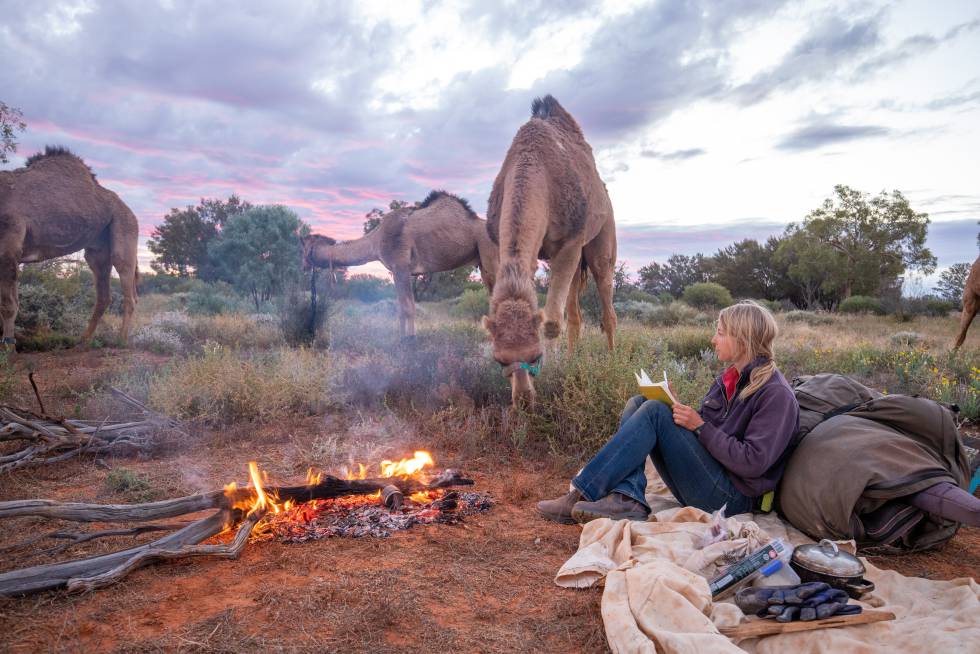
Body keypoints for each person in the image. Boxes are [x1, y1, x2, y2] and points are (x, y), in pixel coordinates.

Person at [537, 300, 800, 523]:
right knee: (640, 403)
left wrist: (699, 426)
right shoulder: (729, 379)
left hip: (732, 499)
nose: (713, 339)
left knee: (653, 412)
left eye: (720, 333)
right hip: (710, 477)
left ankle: (583, 493)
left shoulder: (775, 394)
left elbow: (752, 462)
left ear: (742, 340)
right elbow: (709, 431)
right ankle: (627, 498)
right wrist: (677, 407)